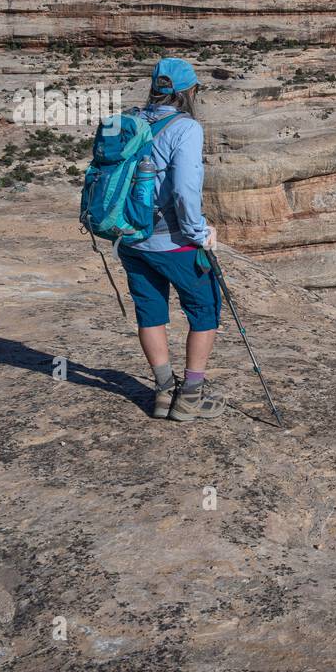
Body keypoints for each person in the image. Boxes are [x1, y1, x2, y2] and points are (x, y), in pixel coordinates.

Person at [118, 58, 225, 421]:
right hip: (172, 241)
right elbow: (184, 190)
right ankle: (191, 396)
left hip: (131, 239)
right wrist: (199, 233)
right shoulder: (186, 128)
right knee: (205, 308)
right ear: (188, 91)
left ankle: (164, 393)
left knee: (150, 313)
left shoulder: (127, 120)